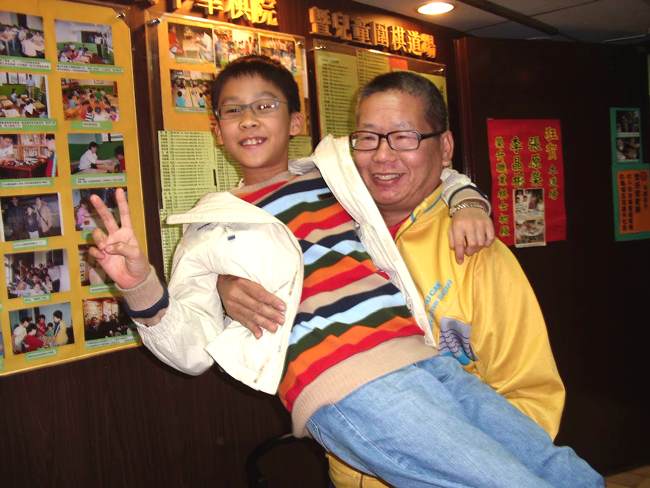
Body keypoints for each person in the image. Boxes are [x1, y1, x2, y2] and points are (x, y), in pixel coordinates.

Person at [88, 57, 600, 487]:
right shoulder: (207, 229)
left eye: (265, 105)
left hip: (423, 357)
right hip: (346, 383)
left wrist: (467, 199)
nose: (248, 120)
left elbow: (428, 167)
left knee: (558, 469)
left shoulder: (336, 177)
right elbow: (190, 351)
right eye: (233, 110)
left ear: (295, 120)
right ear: (217, 130)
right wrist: (139, 284)